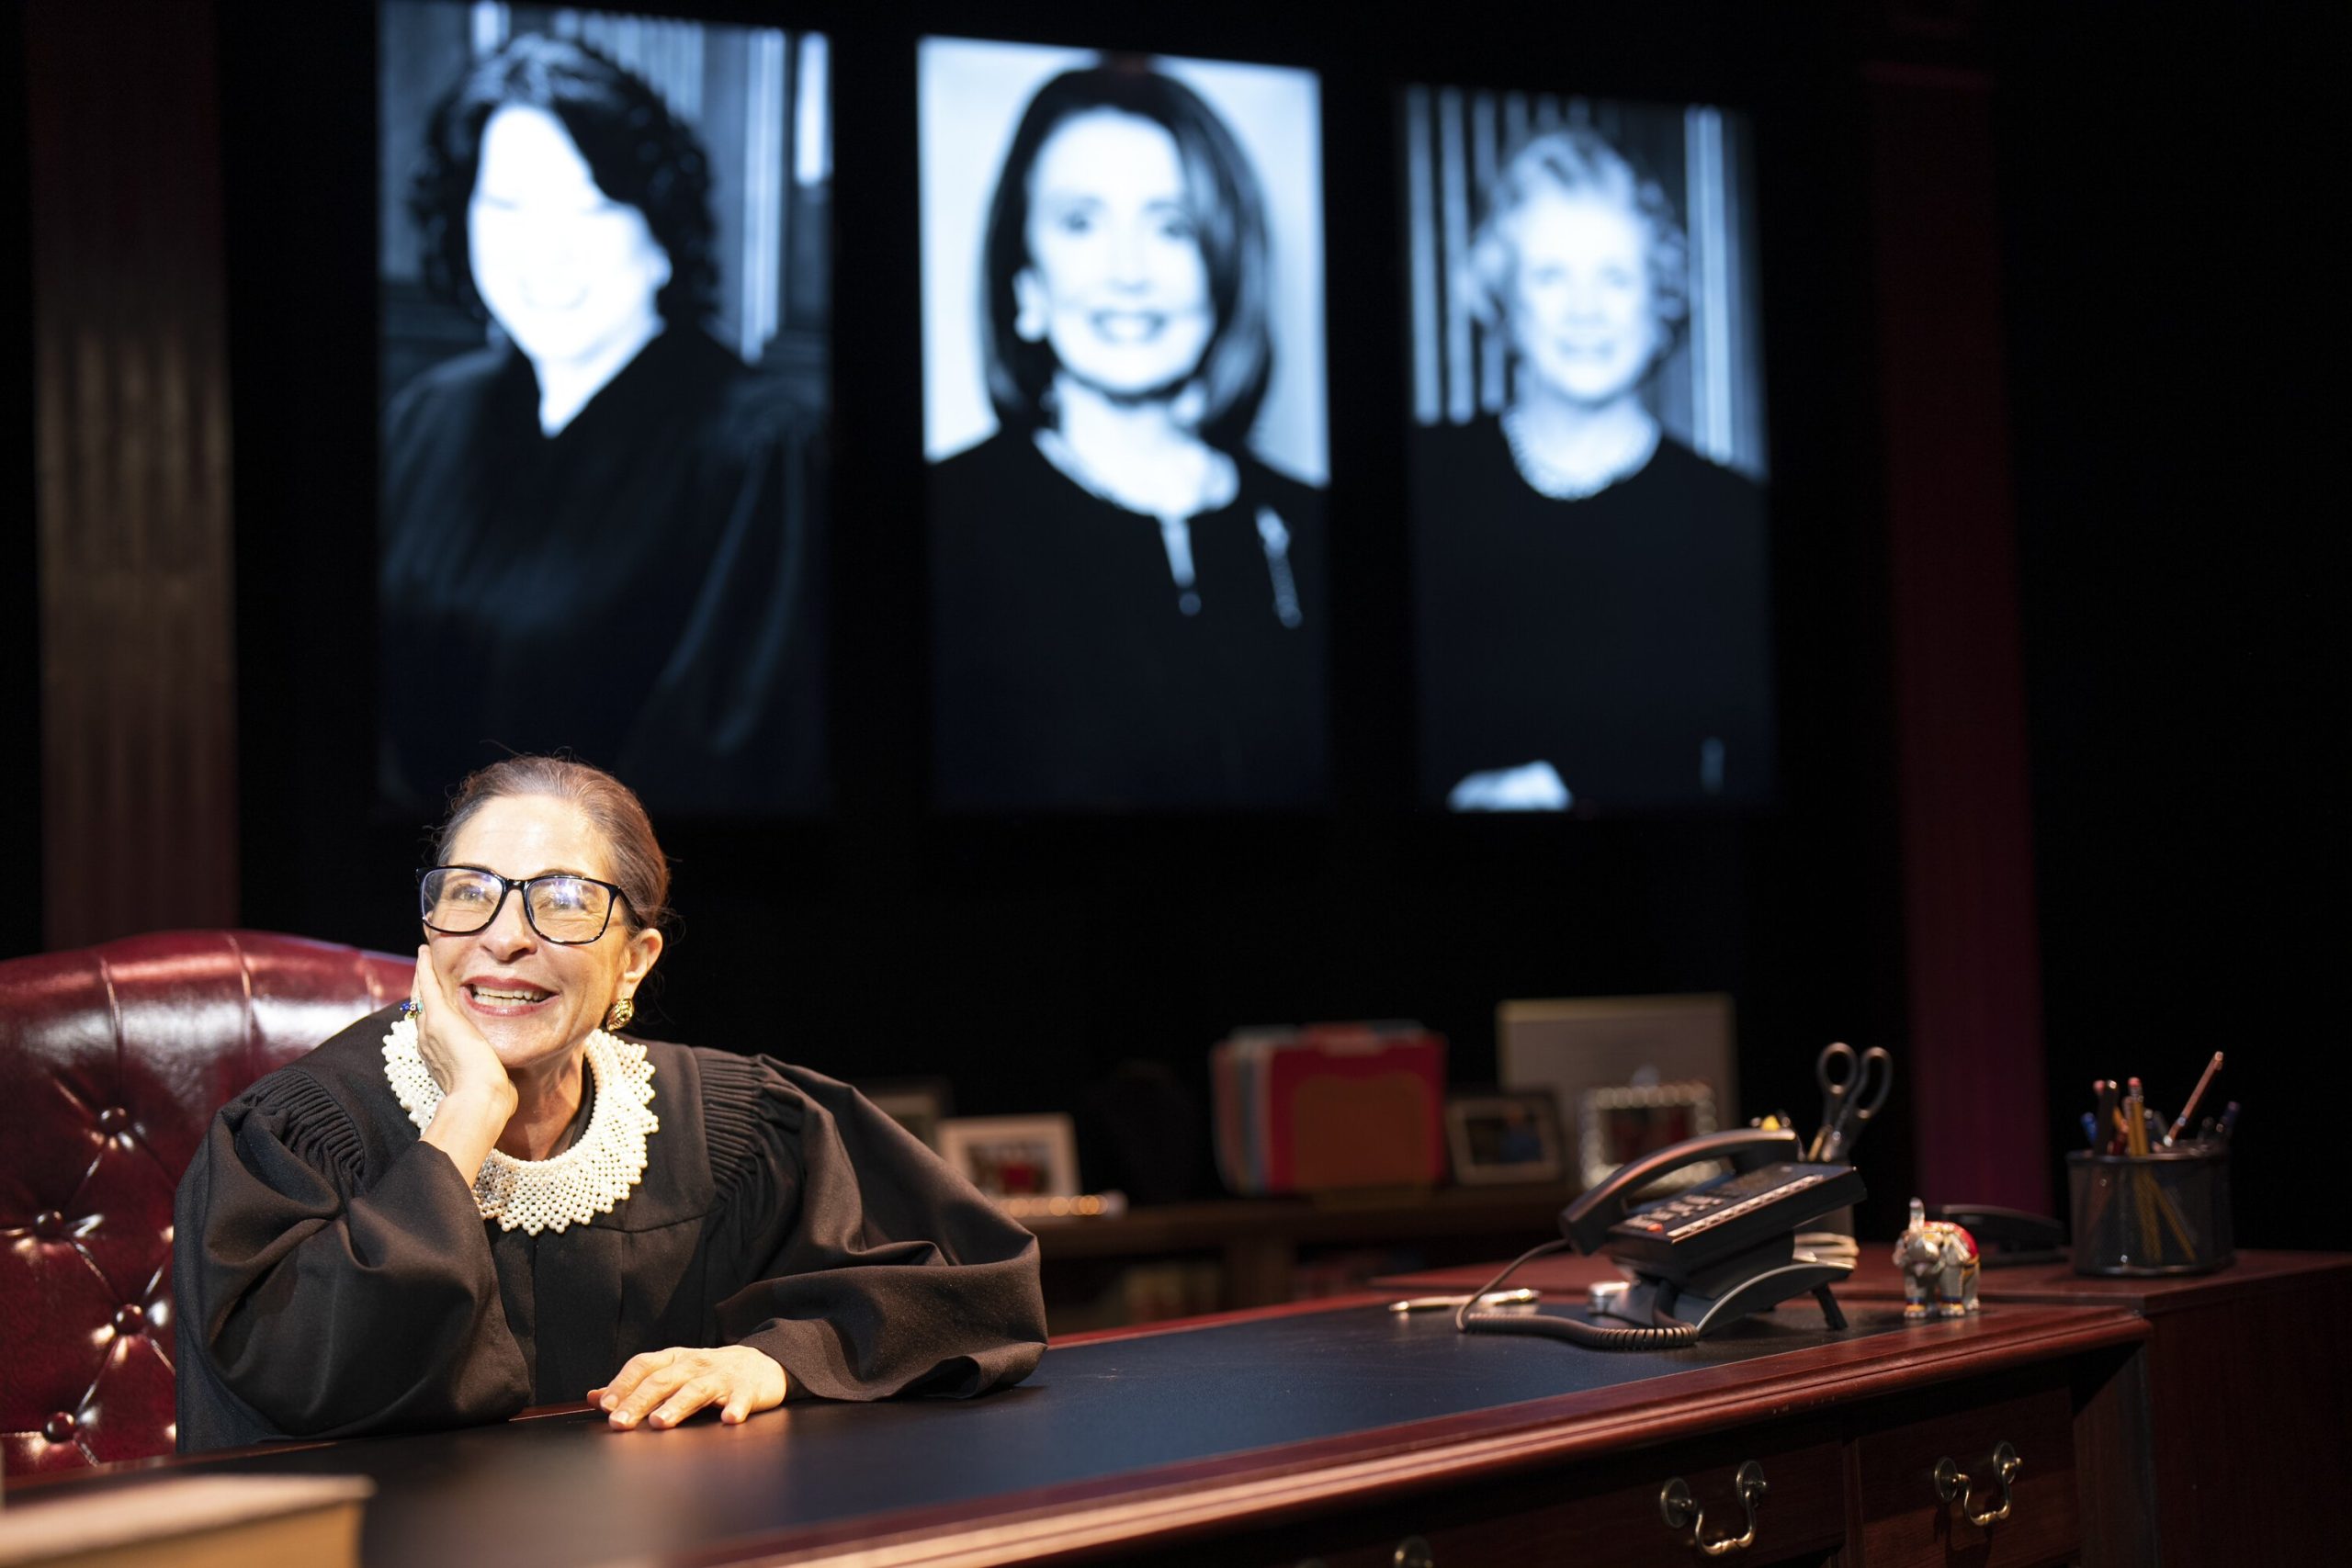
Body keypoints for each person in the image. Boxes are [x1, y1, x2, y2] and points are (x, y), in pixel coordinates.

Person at [173, 757, 1043, 1450]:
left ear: (635, 960)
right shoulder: (297, 1136)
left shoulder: (733, 1127)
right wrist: (472, 1109)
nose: (506, 936)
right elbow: (297, 1391)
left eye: (561, 903)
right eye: (470, 891)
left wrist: (770, 1362)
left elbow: (979, 1287)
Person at [381, 36, 824, 816]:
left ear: (659, 228)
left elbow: (727, 770)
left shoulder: (766, 450)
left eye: (589, 205)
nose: (545, 250)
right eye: (508, 208)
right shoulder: (427, 416)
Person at [930, 62, 1325, 810]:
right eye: (1081, 222)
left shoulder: (1317, 526)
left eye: (1171, 226)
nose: (1128, 271)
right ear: (1025, 285)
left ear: (1224, 269)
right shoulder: (935, 523)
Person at [1411, 127, 1772, 812]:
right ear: (1506, 300)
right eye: (1551, 276)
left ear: (1658, 297)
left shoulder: (1734, 518)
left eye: (1614, 276)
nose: (1586, 310)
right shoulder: (1420, 479)